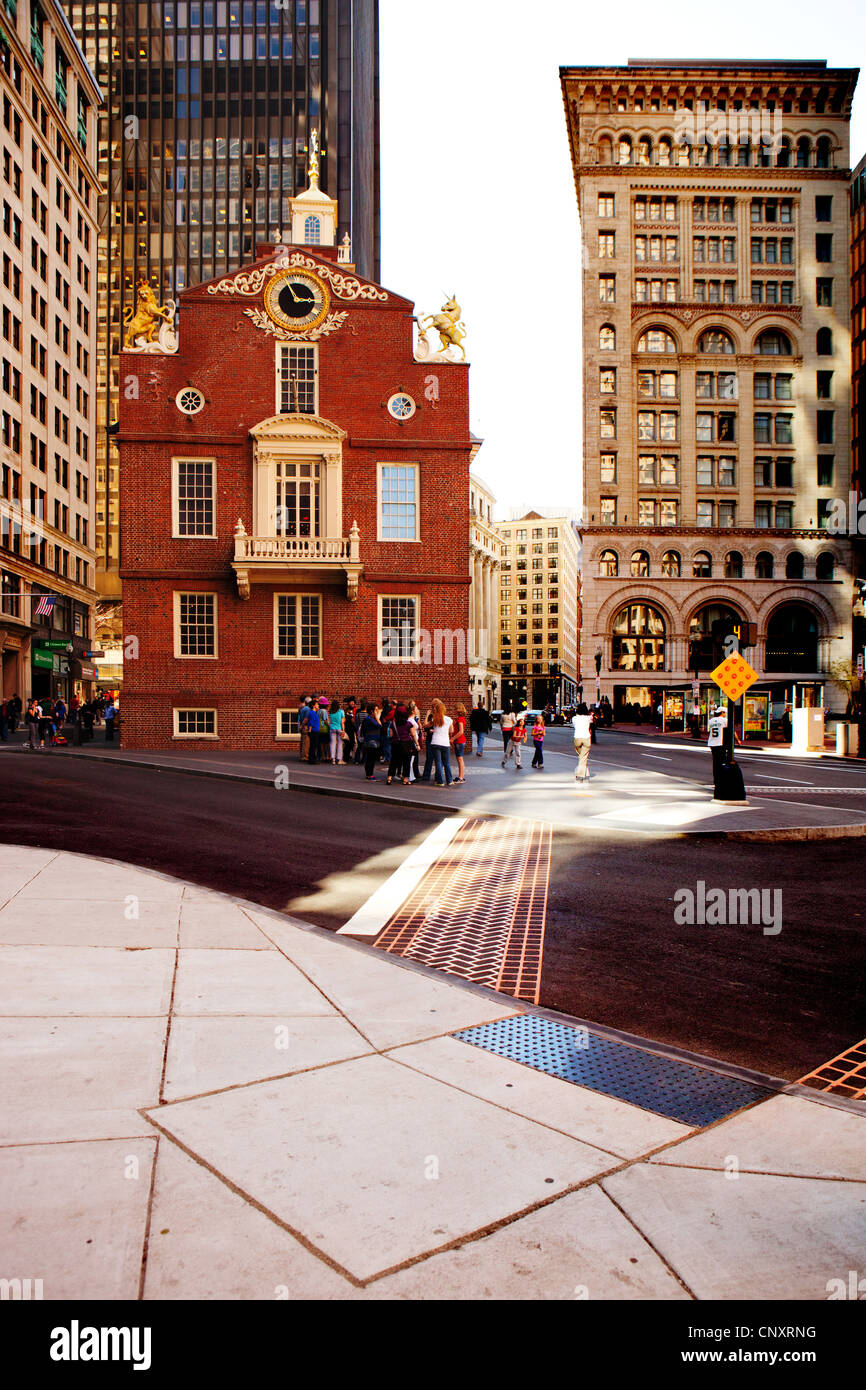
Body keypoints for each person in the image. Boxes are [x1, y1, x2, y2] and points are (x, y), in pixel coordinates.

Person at [428, 698, 454, 786]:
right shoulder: (449, 719)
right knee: (446, 763)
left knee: (438, 763)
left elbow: (426, 726)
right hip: (445, 743)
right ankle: (450, 780)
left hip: (435, 742)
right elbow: (451, 731)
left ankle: (440, 781)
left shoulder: (434, 718)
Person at [359, 701, 383, 780]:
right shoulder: (369, 719)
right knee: (370, 759)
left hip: (373, 740)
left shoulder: (370, 719)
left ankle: (369, 774)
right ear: (372, 711)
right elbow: (379, 725)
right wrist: (377, 718)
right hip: (370, 741)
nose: (377, 712)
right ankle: (369, 774)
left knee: (371, 758)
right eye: (376, 710)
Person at [572, 703, 593, 783]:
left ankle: (582, 774)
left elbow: (574, 726)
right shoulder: (588, 718)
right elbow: (591, 726)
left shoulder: (574, 718)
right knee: (583, 757)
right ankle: (583, 774)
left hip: (577, 737)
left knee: (581, 756)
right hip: (586, 737)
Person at [451, 702, 468, 783]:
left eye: (454, 709)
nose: (453, 710)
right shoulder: (459, 719)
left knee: (460, 759)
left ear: (458, 709)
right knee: (460, 759)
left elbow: (461, 731)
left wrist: (452, 738)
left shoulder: (460, 719)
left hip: (459, 741)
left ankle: (461, 777)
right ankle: (461, 776)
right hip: (459, 741)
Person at [298, 698, 313, 762]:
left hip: (302, 726)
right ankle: (305, 756)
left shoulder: (302, 709)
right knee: (306, 743)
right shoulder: (308, 709)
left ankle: (302, 755)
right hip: (305, 726)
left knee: (302, 742)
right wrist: (303, 726)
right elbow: (306, 719)